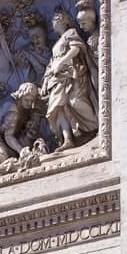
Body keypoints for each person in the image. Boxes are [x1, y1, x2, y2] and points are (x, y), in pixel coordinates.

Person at [41, 8, 97, 149]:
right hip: (56, 78)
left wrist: (62, 62)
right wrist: (45, 82)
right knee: (58, 108)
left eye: (55, 20)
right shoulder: (56, 43)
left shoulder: (70, 33)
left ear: (63, 21)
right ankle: (67, 139)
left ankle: (95, 127)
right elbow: (51, 63)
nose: (52, 23)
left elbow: (76, 49)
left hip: (71, 74)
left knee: (75, 101)